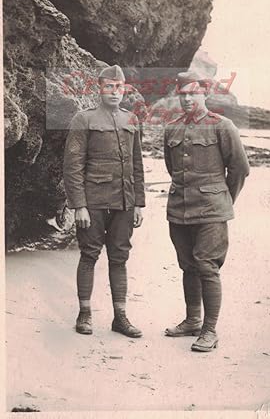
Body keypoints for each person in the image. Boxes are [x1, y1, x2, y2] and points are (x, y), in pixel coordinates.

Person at [163, 70, 250, 352]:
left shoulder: (222, 126)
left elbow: (239, 169)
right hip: (179, 208)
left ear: (205, 93)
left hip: (212, 209)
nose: (187, 98)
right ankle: (192, 321)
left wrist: (223, 200)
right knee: (187, 265)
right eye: (183, 94)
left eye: (193, 93)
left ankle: (209, 331)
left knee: (207, 266)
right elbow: (172, 167)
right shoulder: (172, 127)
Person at [63, 65, 145, 338]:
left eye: (118, 87)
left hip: (124, 202)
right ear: (99, 88)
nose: (114, 91)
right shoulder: (83, 119)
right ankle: (84, 313)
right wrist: (79, 205)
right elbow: (73, 166)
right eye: (108, 86)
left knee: (119, 258)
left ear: (124, 90)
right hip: (94, 202)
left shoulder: (131, 120)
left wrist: (138, 204)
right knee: (89, 255)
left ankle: (120, 318)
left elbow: (137, 165)